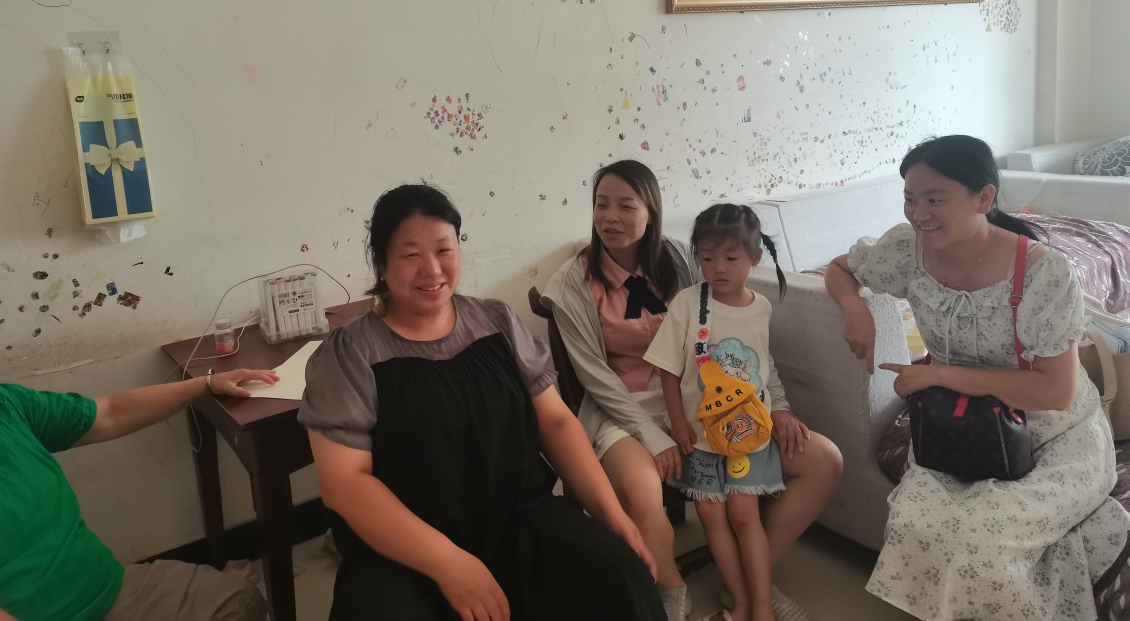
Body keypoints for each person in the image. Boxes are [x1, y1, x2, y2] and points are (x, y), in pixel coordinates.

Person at [299, 183, 665, 621]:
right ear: (381, 263)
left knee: (623, 578)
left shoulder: (496, 321)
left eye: (444, 249)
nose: (431, 269)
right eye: (411, 254)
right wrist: (448, 563)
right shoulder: (350, 354)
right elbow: (344, 484)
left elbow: (555, 423)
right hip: (406, 548)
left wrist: (611, 514)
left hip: (519, 519)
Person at [824, 134, 1130, 621]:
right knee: (914, 521)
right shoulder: (906, 251)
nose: (918, 213)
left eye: (935, 199)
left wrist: (939, 374)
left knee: (981, 541)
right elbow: (841, 268)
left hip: (1053, 434)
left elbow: (1057, 391)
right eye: (910, 198)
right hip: (960, 424)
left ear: (984, 198)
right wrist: (855, 308)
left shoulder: (1044, 273)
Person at [543, 162, 840, 621]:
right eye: (602, 205)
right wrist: (652, 434)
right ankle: (671, 585)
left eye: (626, 206)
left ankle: (746, 577)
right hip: (621, 406)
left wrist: (778, 407)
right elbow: (593, 377)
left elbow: (741, 346)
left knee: (823, 460)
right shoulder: (571, 283)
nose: (610, 217)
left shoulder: (682, 258)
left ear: (651, 212)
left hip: (703, 401)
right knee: (643, 490)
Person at [0, 281, 278, 621]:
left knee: (242, 603)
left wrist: (206, 384)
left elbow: (108, 413)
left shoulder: (1, 405)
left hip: (107, 589)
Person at [646, 204, 824, 621]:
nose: (718, 268)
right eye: (707, 258)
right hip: (699, 436)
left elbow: (763, 367)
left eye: (730, 257)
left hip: (749, 435)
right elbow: (668, 369)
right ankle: (742, 603)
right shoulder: (688, 303)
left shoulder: (761, 307)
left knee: (745, 515)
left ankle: (760, 606)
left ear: (755, 257)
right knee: (711, 513)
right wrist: (677, 422)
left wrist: (781, 410)